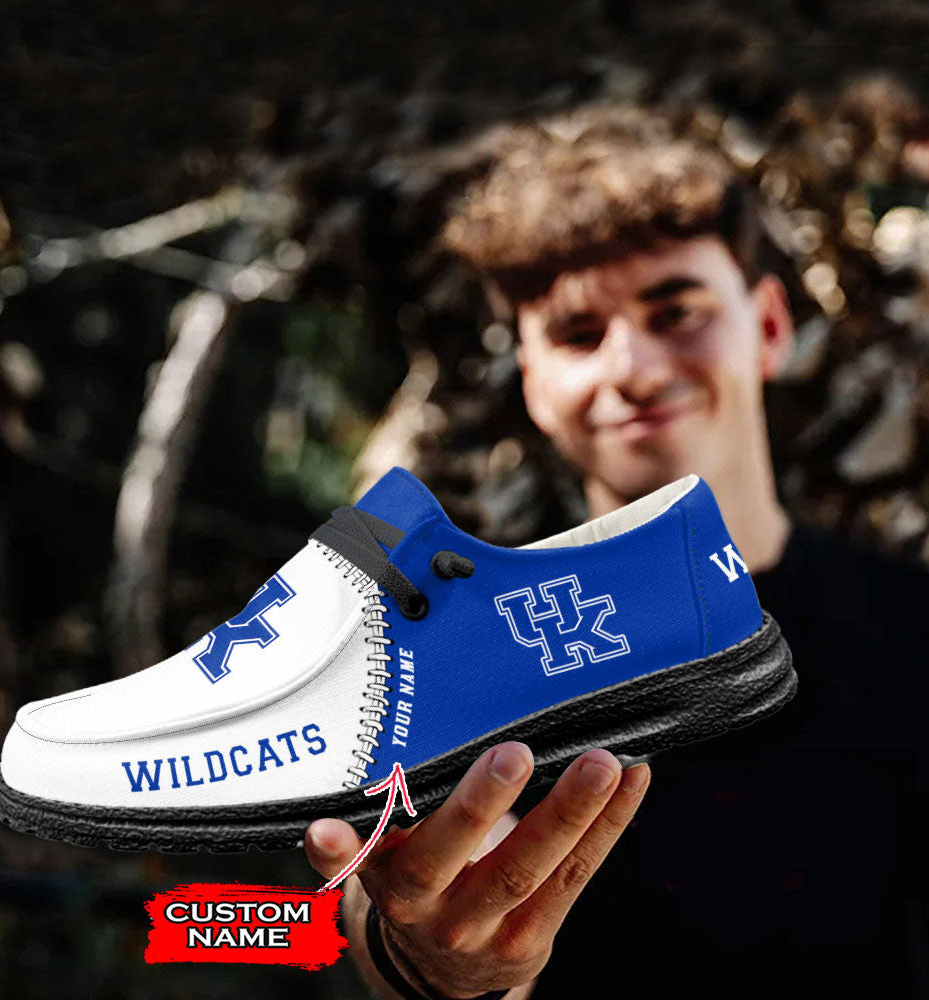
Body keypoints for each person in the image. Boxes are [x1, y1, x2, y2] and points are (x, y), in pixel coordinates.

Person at [303, 114, 929, 999]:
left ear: (769, 326)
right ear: (532, 383)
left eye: (677, 312)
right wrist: (433, 959)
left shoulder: (914, 628)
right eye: (577, 332)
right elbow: (399, 896)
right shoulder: (455, 668)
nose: (632, 367)